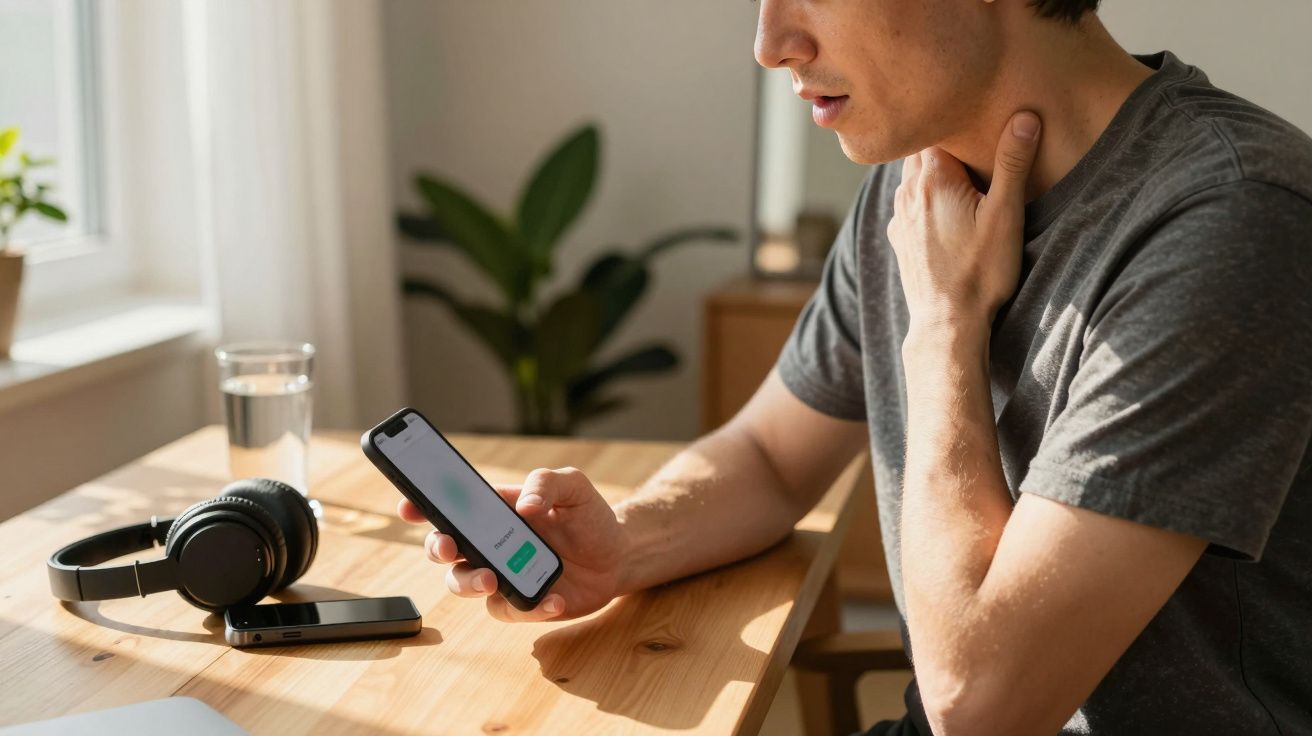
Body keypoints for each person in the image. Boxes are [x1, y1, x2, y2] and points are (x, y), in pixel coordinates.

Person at [399, 0, 1312, 732]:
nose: (770, 42)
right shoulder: (921, 180)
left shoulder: (1235, 219)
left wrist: (944, 326)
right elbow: (768, 455)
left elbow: (981, 705)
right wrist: (623, 542)